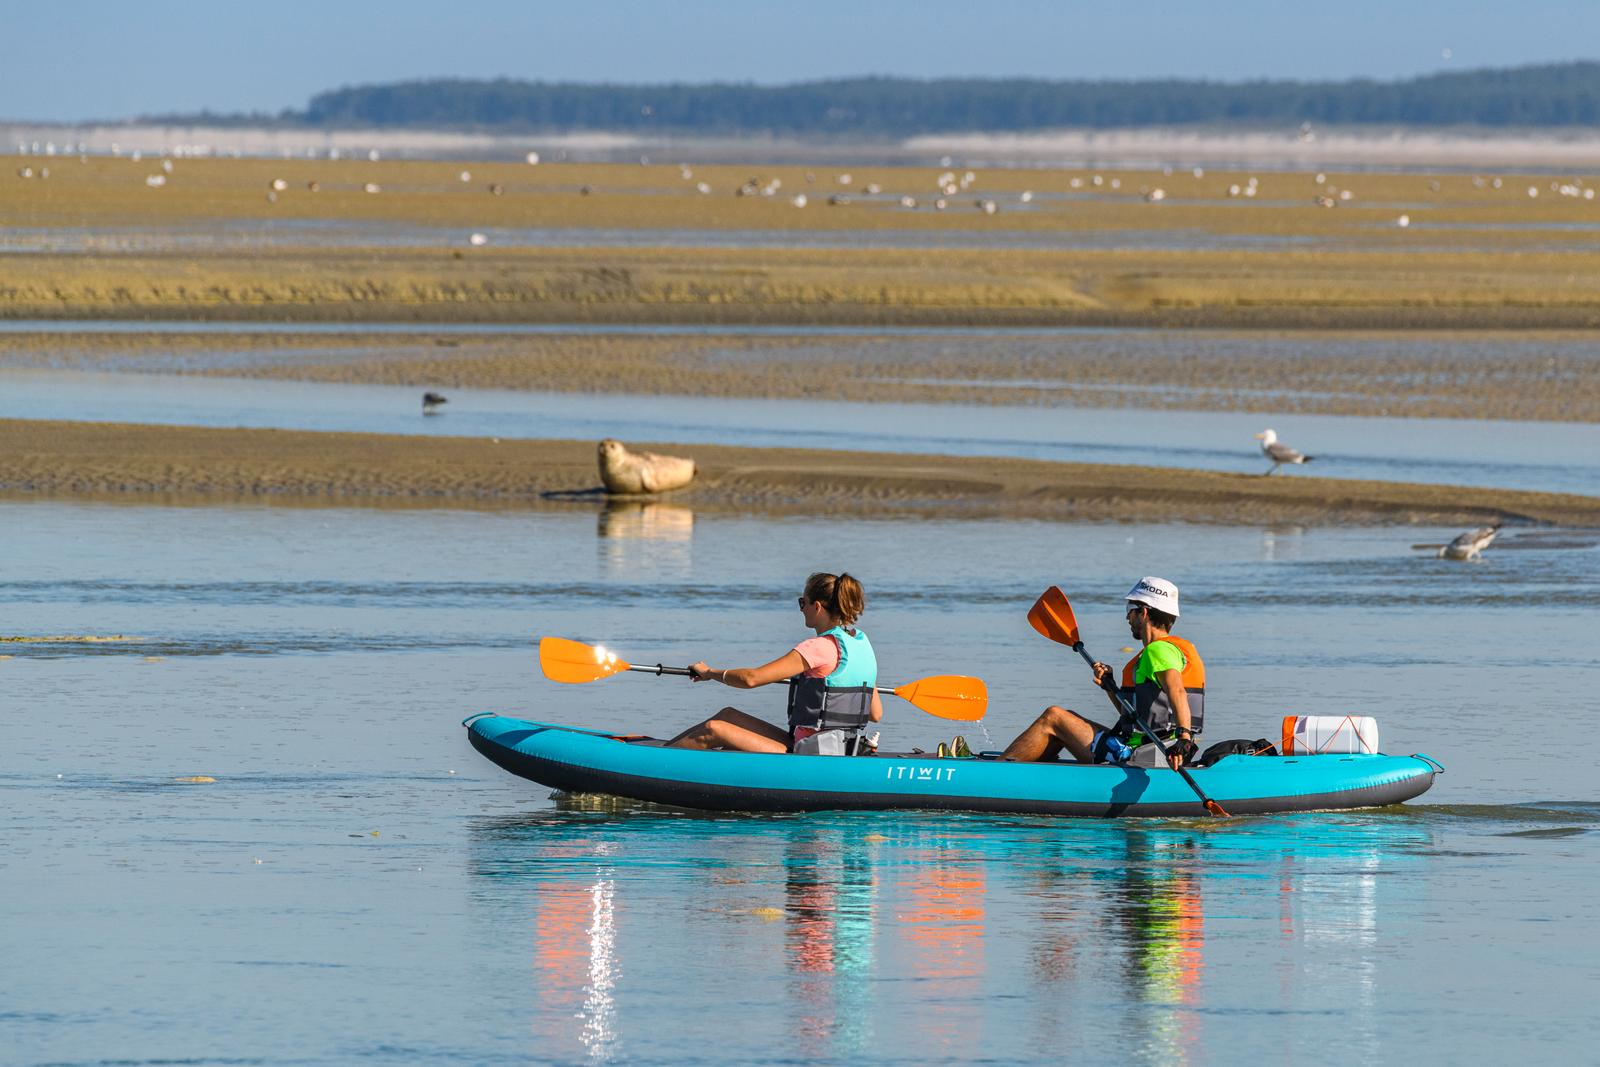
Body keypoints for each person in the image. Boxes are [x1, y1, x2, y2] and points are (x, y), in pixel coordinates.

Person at [1001, 577, 1205, 770]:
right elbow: (1133, 716)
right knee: (1067, 719)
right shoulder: (1170, 650)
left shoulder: (1158, 650)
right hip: (1146, 749)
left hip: (1139, 755)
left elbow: (1176, 690)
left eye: (1130, 609)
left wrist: (1184, 737)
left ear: (1143, 612)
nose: (1127, 616)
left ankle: (994, 774)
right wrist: (1110, 687)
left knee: (1053, 717)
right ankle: (1028, 771)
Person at [666, 572, 883, 753]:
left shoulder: (818, 647)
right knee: (727, 715)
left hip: (810, 752)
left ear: (816, 607)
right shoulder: (861, 643)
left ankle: (651, 766)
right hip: (839, 747)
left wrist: (709, 672)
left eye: (802, 603)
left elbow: (751, 679)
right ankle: (662, 751)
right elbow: (875, 713)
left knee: (714, 729)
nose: (801, 609)